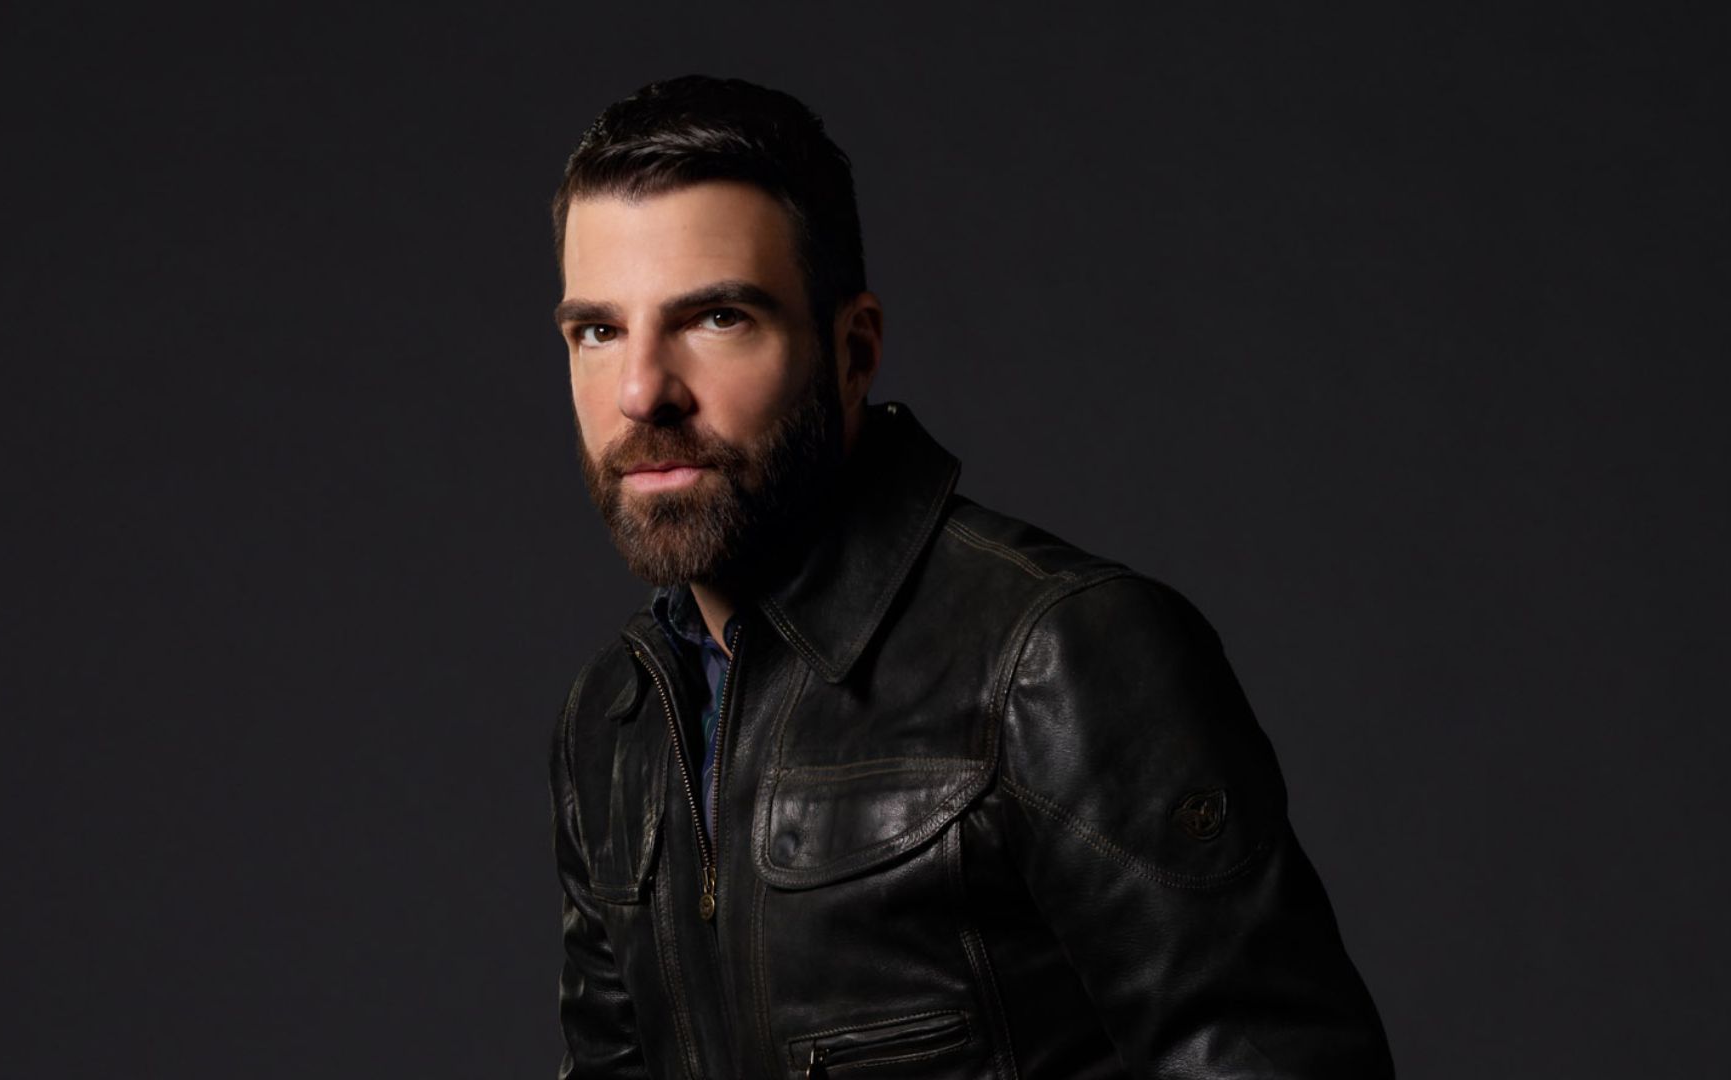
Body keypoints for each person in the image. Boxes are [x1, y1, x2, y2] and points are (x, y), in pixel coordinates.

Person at [546, 74, 1392, 1079]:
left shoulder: (1058, 656)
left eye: (718, 318)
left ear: (853, 351)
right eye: (598, 331)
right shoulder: (616, 720)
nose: (641, 390)